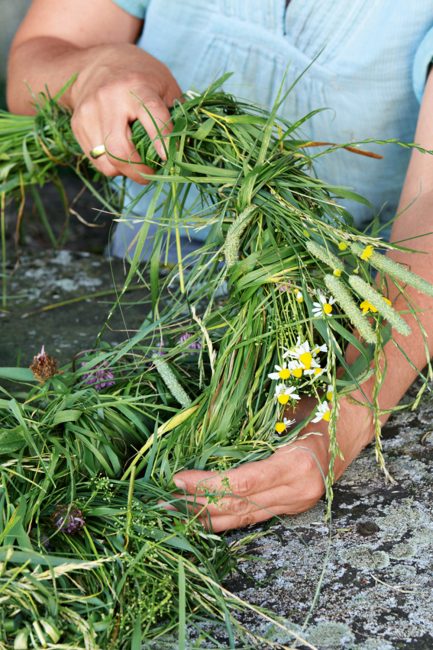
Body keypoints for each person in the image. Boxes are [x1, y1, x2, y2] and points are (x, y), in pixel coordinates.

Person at [7, 0, 433, 532]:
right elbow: (32, 64)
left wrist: (342, 417)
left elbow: (428, 223)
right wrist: (95, 68)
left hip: (326, 323)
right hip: (141, 294)